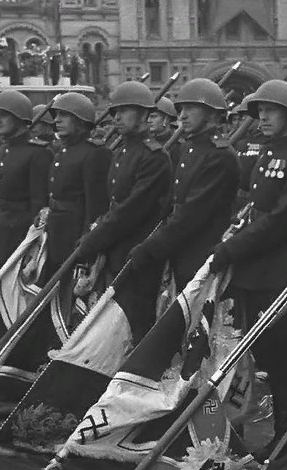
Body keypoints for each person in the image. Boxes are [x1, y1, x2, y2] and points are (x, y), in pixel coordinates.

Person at [209, 79, 287, 443]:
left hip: (285, 267)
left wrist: (232, 249)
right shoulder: (268, 153)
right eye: (260, 112)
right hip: (258, 270)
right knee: (270, 359)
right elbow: (256, 209)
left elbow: (282, 220)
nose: (262, 118)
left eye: (270, 111)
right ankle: (277, 434)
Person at [75, 81, 172, 340]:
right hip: (115, 248)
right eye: (114, 111)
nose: (116, 117)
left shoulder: (155, 157)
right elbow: (112, 203)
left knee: (135, 320)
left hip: (136, 250)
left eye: (124, 111)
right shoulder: (121, 152)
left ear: (142, 114)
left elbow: (131, 209)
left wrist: (93, 240)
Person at [128, 78, 239, 288]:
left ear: (211, 112)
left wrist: (151, 248)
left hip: (202, 251)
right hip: (181, 248)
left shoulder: (219, 155)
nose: (182, 116)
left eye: (191, 109)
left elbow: (193, 212)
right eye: (181, 109)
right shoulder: (190, 147)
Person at [45, 92, 110, 283]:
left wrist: (87, 242)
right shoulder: (62, 151)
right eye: (56, 116)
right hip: (56, 232)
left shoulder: (94, 153)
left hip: (74, 234)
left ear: (80, 120)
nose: (57, 120)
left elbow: (95, 205)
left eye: (64, 116)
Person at [0, 90, 53, 269]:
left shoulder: (38, 152)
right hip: (0, 229)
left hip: (22, 232)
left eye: (3, 116)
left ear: (19, 118)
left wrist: (32, 241)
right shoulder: (3, 150)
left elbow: (38, 202)